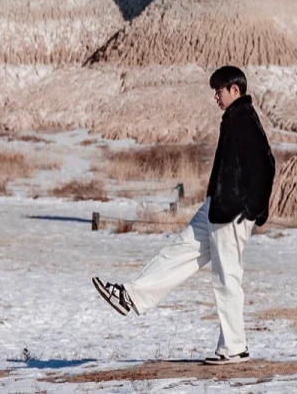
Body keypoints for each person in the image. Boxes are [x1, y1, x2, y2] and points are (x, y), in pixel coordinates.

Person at [92, 66, 275, 365]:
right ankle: (131, 296)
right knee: (178, 252)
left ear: (235, 90)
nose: (215, 96)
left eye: (219, 90)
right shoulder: (233, 119)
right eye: (214, 91)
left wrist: (253, 210)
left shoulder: (244, 120)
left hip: (232, 213)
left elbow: (267, 166)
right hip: (216, 208)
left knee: (226, 276)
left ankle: (234, 348)